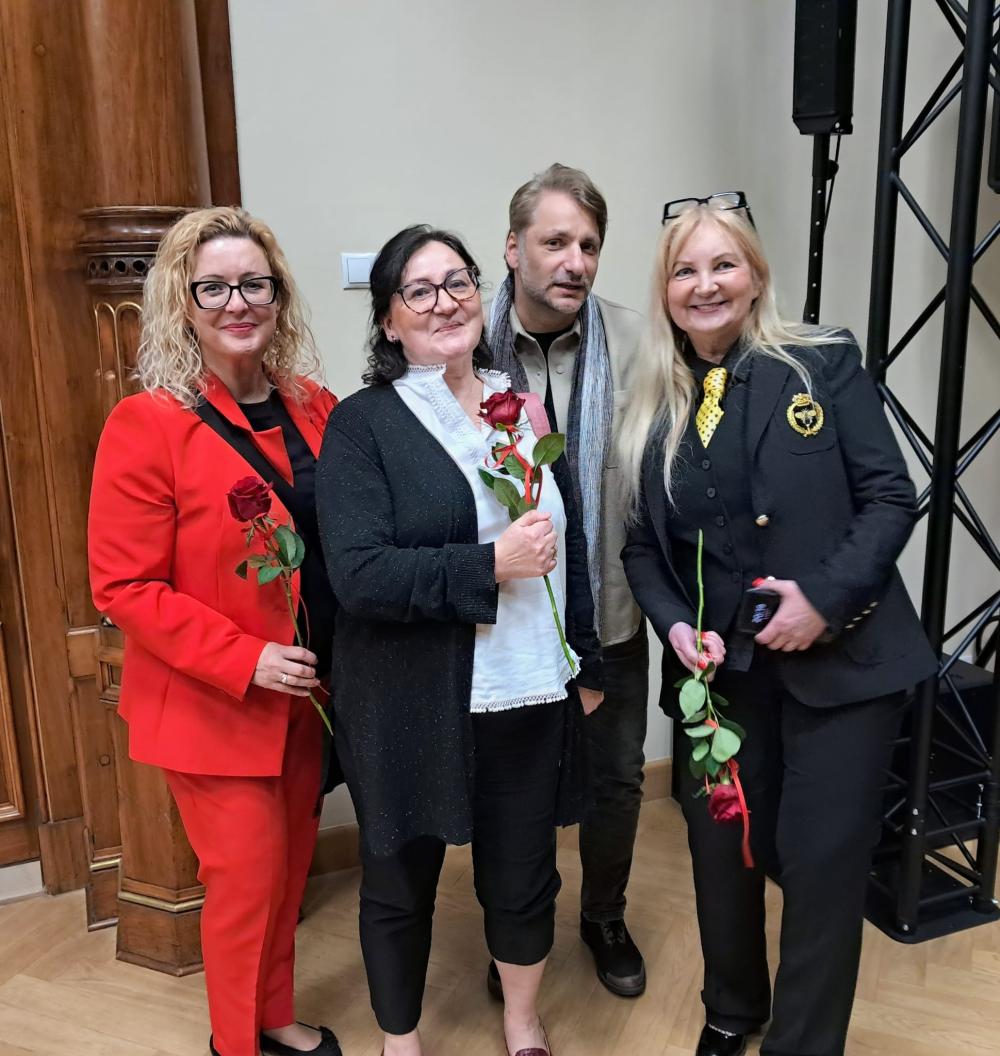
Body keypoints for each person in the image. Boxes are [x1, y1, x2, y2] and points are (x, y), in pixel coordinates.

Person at [618, 193, 937, 1056]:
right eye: (684, 271)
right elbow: (642, 547)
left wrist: (822, 600)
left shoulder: (821, 363)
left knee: (820, 863)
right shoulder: (654, 403)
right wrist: (674, 628)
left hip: (845, 667)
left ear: (756, 277)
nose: (705, 285)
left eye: (723, 264)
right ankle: (732, 1008)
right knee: (722, 853)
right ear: (665, 291)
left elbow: (890, 497)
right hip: (720, 681)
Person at [316, 225, 603, 1056]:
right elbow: (359, 575)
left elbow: (566, 542)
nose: (445, 302)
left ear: (482, 293)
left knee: (523, 873)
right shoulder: (362, 426)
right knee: (399, 881)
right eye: (419, 290)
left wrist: (582, 657)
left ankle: (521, 1020)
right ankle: (400, 1040)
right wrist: (488, 565)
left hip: (529, 688)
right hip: (409, 698)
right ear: (388, 320)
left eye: (458, 282)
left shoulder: (522, 408)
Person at [88, 207, 342, 1056]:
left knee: (288, 870)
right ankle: (235, 1043)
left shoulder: (314, 405)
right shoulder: (147, 422)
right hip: (214, 702)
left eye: (254, 284)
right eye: (214, 288)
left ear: (278, 296)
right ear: (182, 301)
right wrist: (247, 658)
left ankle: (274, 1017)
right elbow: (123, 586)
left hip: (307, 694)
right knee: (244, 883)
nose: (238, 303)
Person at [488, 163, 648, 997]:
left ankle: (604, 916)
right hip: (507, 620)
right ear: (512, 249)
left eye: (588, 245)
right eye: (555, 241)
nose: (575, 261)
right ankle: (516, 937)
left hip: (613, 614)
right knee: (514, 787)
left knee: (617, 780)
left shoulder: (641, 343)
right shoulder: (463, 346)